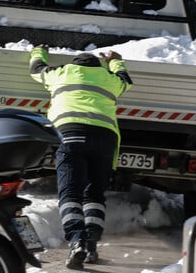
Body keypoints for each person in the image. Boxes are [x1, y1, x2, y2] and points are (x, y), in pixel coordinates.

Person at [29, 45, 133, 270]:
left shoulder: (61, 73)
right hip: (105, 140)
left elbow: (36, 69)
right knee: (94, 194)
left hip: (72, 136)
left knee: (70, 194)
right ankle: (91, 245)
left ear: (74, 64)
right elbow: (124, 79)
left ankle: (77, 241)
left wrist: (38, 52)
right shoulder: (109, 79)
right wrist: (115, 61)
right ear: (98, 66)